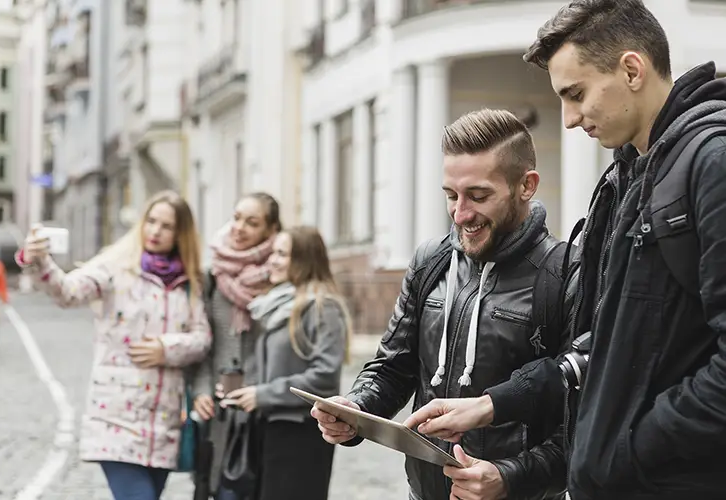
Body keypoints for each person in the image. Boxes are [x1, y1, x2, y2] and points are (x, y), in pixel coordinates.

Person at [403, 1, 726, 499]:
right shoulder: (628, 178)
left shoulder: (711, 164)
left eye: (576, 95)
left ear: (632, 69)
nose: (570, 119)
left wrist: (631, 448)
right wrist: (493, 403)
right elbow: (606, 346)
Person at [312, 109, 574, 500]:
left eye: (479, 196)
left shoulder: (565, 271)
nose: (460, 213)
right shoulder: (430, 259)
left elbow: (579, 419)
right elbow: (393, 367)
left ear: (526, 185)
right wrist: (354, 409)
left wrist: (509, 476)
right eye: (451, 195)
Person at [16, 190, 212, 500]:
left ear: (180, 233)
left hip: (164, 424)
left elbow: (202, 339)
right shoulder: (116, 266)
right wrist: (39, 261)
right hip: (116, 419)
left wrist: (166, 347)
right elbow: (68, 292)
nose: (155, 231)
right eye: (151, 221)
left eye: (166, 226)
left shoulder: (189, 284)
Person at [226, 225, 350, 500]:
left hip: (300, 434)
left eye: (282, 254)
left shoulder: (322, 306)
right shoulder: (274, 305)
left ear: (304, 259)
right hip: (268, 429)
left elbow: (325, 377)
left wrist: (263, 394)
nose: (272, 260)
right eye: (274, 253)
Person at [191, 192, 281, 500]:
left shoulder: (281, 278)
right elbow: (203, 345)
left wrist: (260, 391)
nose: (239, 227)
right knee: (220, 489)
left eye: (252, 222)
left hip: (266, 410)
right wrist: (202, 390)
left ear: (270, 231)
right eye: (237, 218)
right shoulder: (213, 276)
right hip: (221, 410)